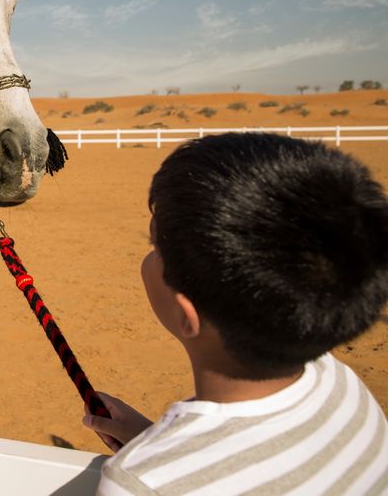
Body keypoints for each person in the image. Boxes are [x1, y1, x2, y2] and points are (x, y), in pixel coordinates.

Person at [84, 133, 388, 495]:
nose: (149, 255)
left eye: (155, 246)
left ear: (187, 314)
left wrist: (151, 455)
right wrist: (147, 436)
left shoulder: (140, 483)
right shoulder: (337, 379)